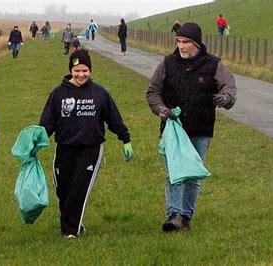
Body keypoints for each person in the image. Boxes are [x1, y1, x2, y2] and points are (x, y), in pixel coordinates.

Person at [146, 22, 237, 232]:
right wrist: (161, 109)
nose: (181, 46)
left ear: (196, 43)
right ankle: (174, 215)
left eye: (185, 42)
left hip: (201, 129)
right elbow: (153, 92)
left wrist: (225, 99)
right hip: (173, 130)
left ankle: (186, 217)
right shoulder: (167, 63)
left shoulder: (214, 65)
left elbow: (229, 88)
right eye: (178, 41)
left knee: (193, 175)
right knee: (174, 174)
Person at [39, 49, 134, 239]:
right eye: (77, 70)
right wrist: (36, 143)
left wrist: (125, 139)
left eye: (85, 70)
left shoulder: (99, 93)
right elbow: (47, 123)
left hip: (91, 148)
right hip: (64, 148)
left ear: (90, 70)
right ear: (71, 71)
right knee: (63, 190)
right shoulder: (58, 94)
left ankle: (70, 231)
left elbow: (114, 118)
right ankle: (75, 225)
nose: (81, 74)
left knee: (78, 189)